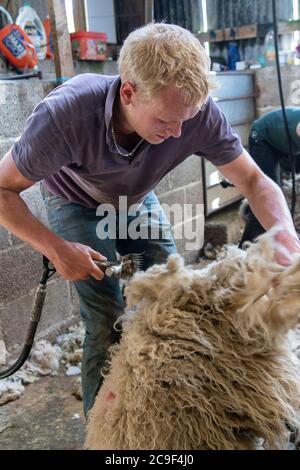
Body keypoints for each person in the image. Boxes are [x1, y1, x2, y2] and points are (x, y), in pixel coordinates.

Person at [0, 23, 299, 416]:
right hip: (75, 199)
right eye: (165, 121)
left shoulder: (194, 114)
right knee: (106, 318)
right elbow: (3, 190)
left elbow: (255, 181)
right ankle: (103, 431)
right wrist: (56, 249)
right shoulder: (65, 115)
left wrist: (286, 240)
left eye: (186, 120)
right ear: (128, 92)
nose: (178, 134)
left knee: (172, 300)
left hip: (137, 196)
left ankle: (167, 412)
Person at [240, 108, 300, 245]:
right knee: (267, 196)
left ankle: (283, 241)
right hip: (263, 138)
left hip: (287, 144)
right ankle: (246, 246)